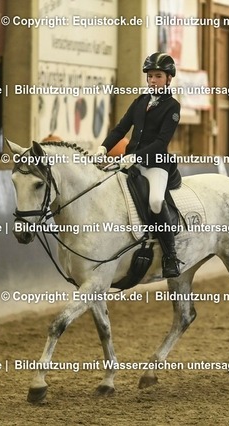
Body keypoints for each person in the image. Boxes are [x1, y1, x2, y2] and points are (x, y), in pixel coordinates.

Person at [95, 52, 181, 278]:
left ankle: (171, 256)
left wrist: (136, 156)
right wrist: (103, 147)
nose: (153, 80)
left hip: (155, 164)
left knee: (155, 201)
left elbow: (161, 142)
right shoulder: (140, 102)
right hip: (129, 162)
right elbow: (120, 129)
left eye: (158, 76)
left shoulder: (172, 107)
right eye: (150, 76)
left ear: (168, 79)